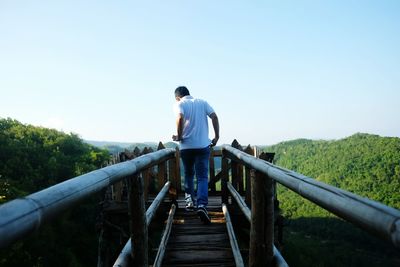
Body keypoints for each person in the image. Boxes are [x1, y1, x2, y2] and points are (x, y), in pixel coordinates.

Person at [172, 86, 219, 224]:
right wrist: (216, 137)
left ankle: (189, 202)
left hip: (186, 147)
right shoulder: (202, 102)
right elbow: (214, 116)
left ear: (177, 97)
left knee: (188, 174)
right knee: (202, 177)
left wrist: (179, 136)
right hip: (203, 146)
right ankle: (202, 205)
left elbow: (180, 118)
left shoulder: (179, 104)